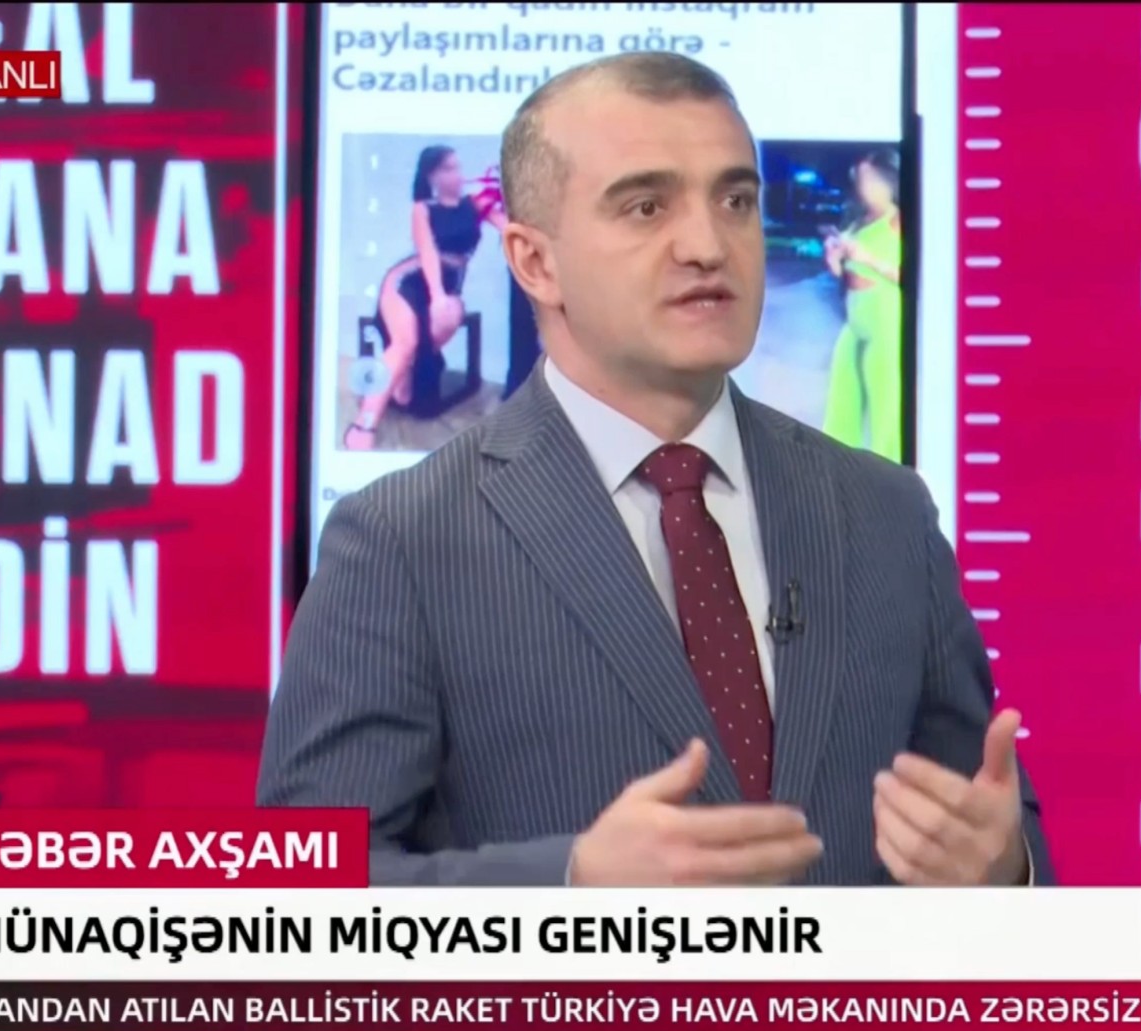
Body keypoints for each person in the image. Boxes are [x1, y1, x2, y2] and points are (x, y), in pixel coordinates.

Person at [262, 52, 1051, 892]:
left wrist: (1005, 871)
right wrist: (569, 886)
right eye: (646, 206)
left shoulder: (885, 513)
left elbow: (995, 830)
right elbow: (298, 895)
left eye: (735, 200)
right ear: (534, 262)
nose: (708, 245)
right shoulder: (401, 541)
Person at [346, 144, 506, 451]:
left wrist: (508, 192)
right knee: (405, 342)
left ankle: (403, 371)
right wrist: (437, 296)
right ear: (432, 176)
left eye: (458, 166)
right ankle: (364, 424)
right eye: (448, 168)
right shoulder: (422, 208)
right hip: (407, 282)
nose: (457, 174)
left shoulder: (475, 203)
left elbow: (509, 228)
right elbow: (428, 252)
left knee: (444, 320)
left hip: (448, 286)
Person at [821, 149, 904, 462]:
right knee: (843, 399)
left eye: (869, 179)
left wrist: (867, 258)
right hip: (855, 314)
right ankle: (838, 472)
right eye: (859, 179)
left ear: (888, 181)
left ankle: (890, 478)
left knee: (886, 407)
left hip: (885, 313)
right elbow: (845, 273)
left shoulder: (899, 219)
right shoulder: (858, 219)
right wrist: (835, 259)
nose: (863, 185)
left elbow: (913, 277)